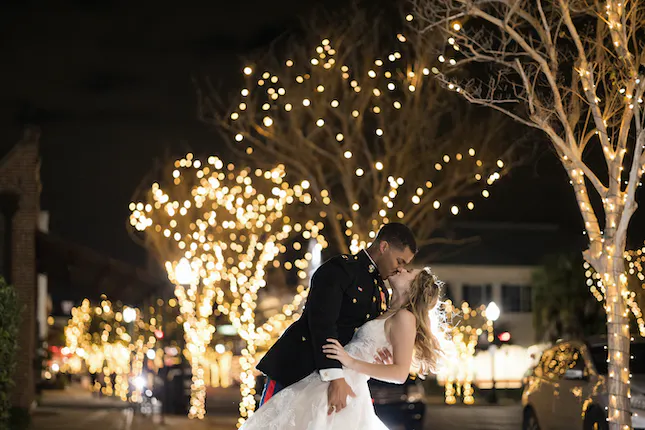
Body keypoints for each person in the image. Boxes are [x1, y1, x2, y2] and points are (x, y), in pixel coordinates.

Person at [241, 266, 448, 429]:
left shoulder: (405, 317)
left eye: (409, 271)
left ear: (414, 288)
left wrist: (351, 361)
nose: (402, 269)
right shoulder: (385, 309)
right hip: (332, 377)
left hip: (346, 384)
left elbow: (399, 373)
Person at [256, 223, 417, 413]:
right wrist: (334, 376)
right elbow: (322, 324)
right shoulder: (341, 269)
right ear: (384, 247)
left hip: (329, 379)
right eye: (399, 261)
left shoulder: (381, 290)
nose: (399, 269)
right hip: (297, 368)